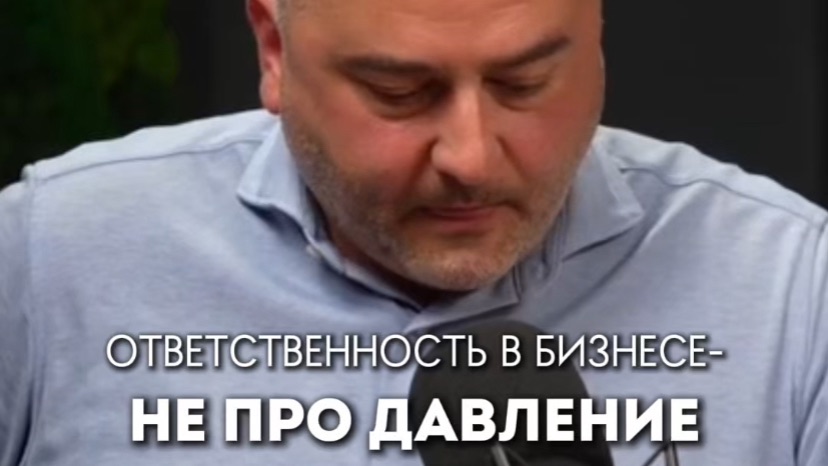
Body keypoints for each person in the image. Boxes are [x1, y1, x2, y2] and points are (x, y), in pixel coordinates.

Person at [1, 0, 825, 464]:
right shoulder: (46, 256)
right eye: (398, 93)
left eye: (526, 82)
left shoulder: (793, 289)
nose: (470, 157)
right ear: (274, 48)